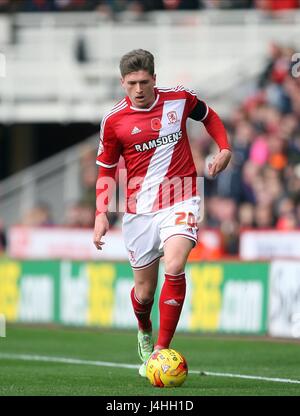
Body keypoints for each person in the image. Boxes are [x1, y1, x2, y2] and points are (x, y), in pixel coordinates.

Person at [93, 49, 231, 377]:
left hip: (181, 195)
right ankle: (144, 328)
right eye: (131, 84)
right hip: (139, 210)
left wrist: (224, 148)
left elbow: (209, 116)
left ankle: (160, 350)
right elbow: (106, 169)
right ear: (122, 83)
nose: (138, 89)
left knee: (176, 262)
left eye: (144, 82)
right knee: (143, 293)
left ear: (154, 79)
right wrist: (101, 213)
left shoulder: (179, 99)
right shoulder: (113, 121)